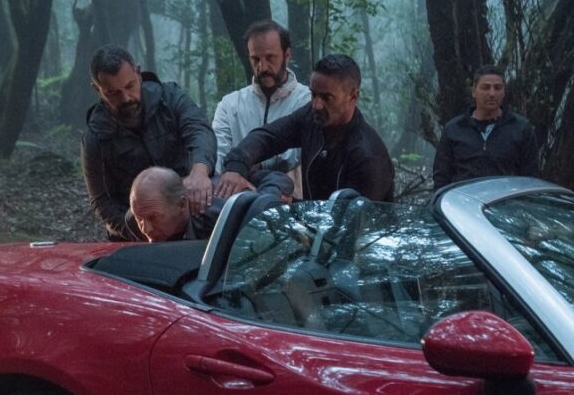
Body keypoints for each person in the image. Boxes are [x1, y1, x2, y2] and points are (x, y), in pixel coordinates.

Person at [216, 54, 394, 203]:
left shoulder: (368, 157)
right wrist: (236, 167)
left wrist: (294, 206)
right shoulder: (312, 117)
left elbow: (351, 224)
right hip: (316, 227)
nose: (316, 105)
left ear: (353, 96)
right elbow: (268, 137)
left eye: (327, 98)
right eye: (314, 94)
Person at [82, 45, 216, 241]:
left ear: (138, 73)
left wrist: (200, 171)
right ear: (98, 90)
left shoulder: (170, 97)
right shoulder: (96, 136)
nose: (126, 98)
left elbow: (199, 131)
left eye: (130, 86)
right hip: (137, 232)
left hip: (192, 212)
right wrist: (147, 227)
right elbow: (102, 202)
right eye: (113, 93)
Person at [213, 20, 311, 175]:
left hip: (287, 188)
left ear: (287, 55)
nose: (262, 67)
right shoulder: (230, 105)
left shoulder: (307, 101)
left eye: (270, 57)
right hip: (234, 187)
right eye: (255, 59)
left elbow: (297, 154)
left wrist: (253, 165)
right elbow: (217, 153)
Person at [432, 65, 539, 191]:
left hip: (505, 200)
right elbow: (441, 178)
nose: (492, 94)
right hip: (463, 201)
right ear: (474, 91)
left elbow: (530, 178)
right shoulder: (454, 129)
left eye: (497, 88)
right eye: (486, 87)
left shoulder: (520, 129)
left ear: (504, 92)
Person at [130, 167, 292, 242]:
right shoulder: (137, 216)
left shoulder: (223, 211)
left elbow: (277, 177)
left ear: (182, 205)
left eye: (154, 218)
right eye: (139, 219)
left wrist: (266, 199)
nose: (146, 229)